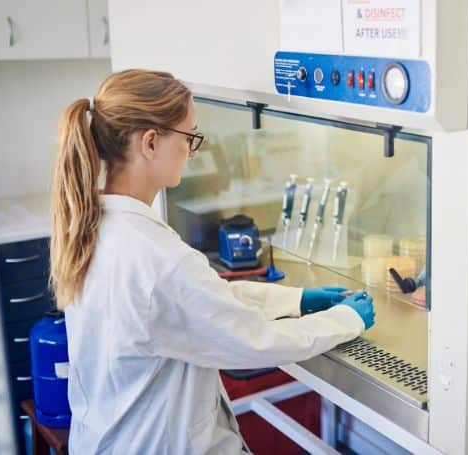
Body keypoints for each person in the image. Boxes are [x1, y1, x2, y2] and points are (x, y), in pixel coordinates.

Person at [50, 69, 375, 454]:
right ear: (151, 143)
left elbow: (200, 300)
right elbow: (253, 341)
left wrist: (296, 300)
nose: (194, 151)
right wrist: (344, 320)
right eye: (189, 137)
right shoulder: (155, 257)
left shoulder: (96, 226)